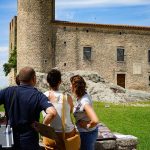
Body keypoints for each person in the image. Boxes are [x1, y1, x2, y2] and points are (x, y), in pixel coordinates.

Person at [0, 66, 57, 150]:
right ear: (34, 78)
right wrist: (42, 127)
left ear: (19, 78)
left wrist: (1, 120)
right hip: (28, 139)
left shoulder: (8, 91)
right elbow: (52, 113)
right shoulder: (38, 95)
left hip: (7, 134)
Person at [42, 69, 76, 150]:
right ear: (60, 81)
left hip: (51, 134)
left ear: (47, 81)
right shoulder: (67, 96)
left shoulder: (44, 96)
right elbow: (70, 111)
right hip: (67, 133)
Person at [70, 75, 99, 150]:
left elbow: (95, 120)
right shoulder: (81, 97)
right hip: (85, 134)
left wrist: (87, 125)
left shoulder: (84, 102)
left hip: (87, 135)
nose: (70, 86)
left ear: (75, 87)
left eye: (71, 84)